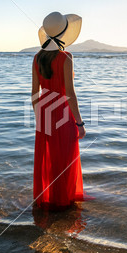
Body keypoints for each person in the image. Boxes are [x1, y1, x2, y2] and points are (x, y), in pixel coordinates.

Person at [32, 11, 91, 211]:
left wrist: (40, 117)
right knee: (64, 158)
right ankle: (64, 202)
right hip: (63, 115)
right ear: (64, 32)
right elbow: (70, 95)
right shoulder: (66, 57)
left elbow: (34, 94)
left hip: (44, 114)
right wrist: (80, 123)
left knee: (48, 158)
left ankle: (50, 201)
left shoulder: (37, 58)